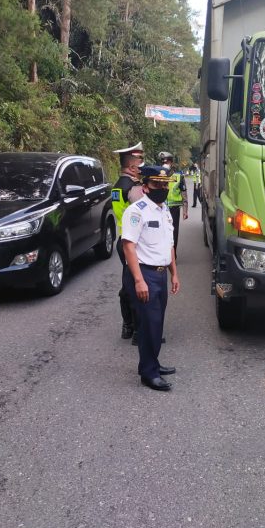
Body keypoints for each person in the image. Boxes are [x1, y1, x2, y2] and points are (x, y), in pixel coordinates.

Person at [122, 165, 180, 392]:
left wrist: (174, 273)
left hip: (160, 273)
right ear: (145, 187)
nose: (163, 188)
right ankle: (149, 373)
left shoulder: (164, 209)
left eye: (165, 184)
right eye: (157, 184)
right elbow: (128, 246)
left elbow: (170, 245)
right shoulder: (137, 211)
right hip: (144, 274)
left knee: (156, 324)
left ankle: (151, 363)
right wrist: (138, 280)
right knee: (148, 325)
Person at [111, 142, 145, 340]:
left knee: (127, 283)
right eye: (140, 163)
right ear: (132, 167)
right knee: (136, 285)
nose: (142, 167)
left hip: (123, 239)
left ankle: (128, 326)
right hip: (134, 243)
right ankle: (138, 329)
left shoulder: (118, 186)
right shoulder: (133, 189)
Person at [158, 151, 188, 253]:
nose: (165, 165)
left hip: (174, 209)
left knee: (173, 232)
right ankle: (163, 253)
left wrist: (185, 210)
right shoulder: (157, 175)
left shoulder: (179, 176)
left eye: (167, 163)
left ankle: (173, 254)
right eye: (163, 163)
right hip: (159, 209)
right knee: (160, 232)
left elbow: (184, 193)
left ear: (171, 163)